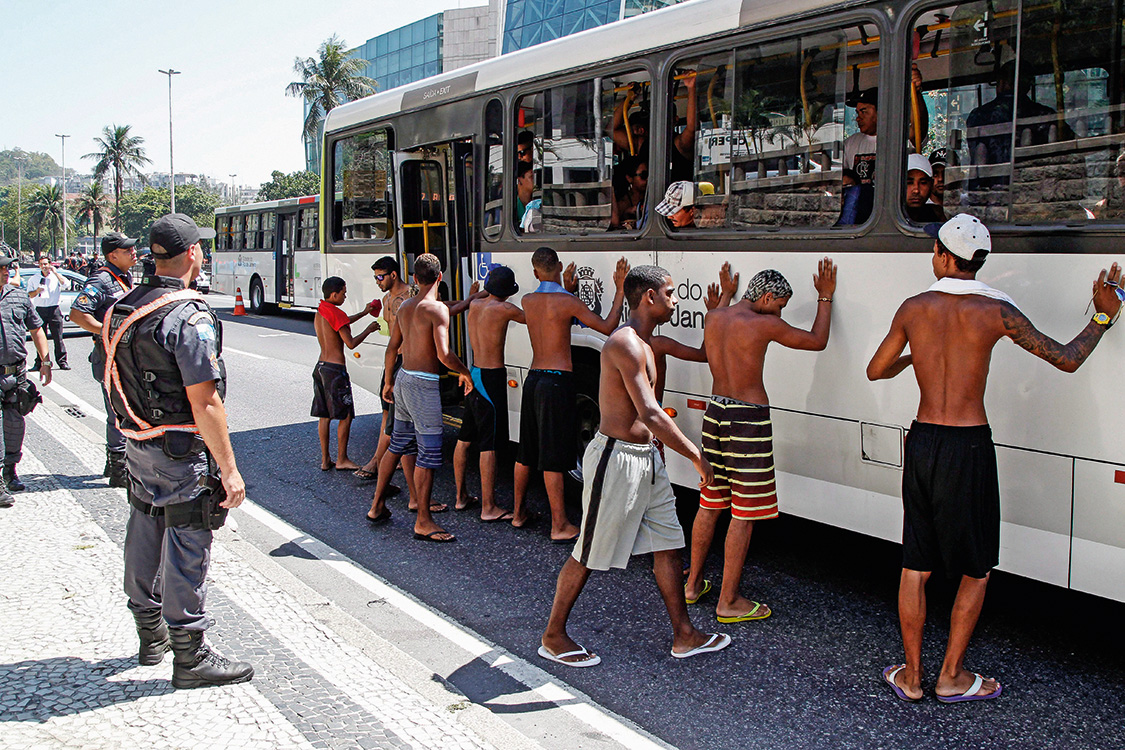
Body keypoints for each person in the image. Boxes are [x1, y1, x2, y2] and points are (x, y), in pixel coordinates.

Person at [866, 213, 1121, 703]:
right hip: (967, 445)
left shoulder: (914, 307)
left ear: (942, 256)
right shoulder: (995, 310)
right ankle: (952, 676)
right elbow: (1066, 358)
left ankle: (913, 678)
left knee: (915, 565)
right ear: (978, 261)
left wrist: (917, 353)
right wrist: (1105, 314)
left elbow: (877, 370)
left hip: (922, 442)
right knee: (975, 567)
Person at [539, 265, 730, 668]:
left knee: (667, 542)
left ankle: (684, 635)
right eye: (671, 294)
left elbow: (652, 420)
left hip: (646, 458)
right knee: (588, 551)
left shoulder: (647, 342)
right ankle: (554, 636)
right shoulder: (624, 344)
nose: (675, 301)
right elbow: (651, 411)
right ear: (649, 297)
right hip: (617, 458)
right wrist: (695, 454)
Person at [103, 213, 253, 689]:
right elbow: (205, 399)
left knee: (145, 525)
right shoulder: (187, 315)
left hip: (139, 442)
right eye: (201, 248)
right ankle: (190, 656)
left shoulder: (123, 306)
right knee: (188, 538)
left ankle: (150, 635)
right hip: (180, 448)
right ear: (192, 254)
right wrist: (229, 469)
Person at [684, 260, 837, 622]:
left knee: (710, 502)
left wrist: (724, 293)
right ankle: (728, 601)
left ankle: (692, 585)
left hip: (715, 413)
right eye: (780, 305)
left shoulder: (715, 316)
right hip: (747, 420)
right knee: (745, 513)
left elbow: (719, 328)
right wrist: (825, 297)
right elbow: (817, 341)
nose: (780, 312)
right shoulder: (764, 324)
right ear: (768, 297)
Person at [512, 248, 629, 542]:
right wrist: (619, 290)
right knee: (553, 456)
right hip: (557, 381)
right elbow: (607, 325)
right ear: (560, 266)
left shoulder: (528, 300)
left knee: (526, 451)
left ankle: (517, 514)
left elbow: (550, 311)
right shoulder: (569, 303)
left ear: (535, 271)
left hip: (533, 379)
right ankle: (559, 524)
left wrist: (563, 286)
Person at [366, 253, 473, 542]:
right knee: (429, 453)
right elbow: (445, 355)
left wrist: (389, 381)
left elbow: (392, 348)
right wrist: (465, 372)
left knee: (398, 443)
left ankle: (377, 506)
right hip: (423, 385)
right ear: (440, 278)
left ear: (414, 279)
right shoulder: (436, 309)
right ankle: (423, 521)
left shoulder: (405, 307)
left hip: (402, 377)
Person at [453, 265, 525, 522]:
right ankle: (488, 507)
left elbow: (472, 300)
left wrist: (474, 294)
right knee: (489, 444)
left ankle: (461, 497)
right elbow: (536, 318)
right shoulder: (505, 309)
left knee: (465, 437)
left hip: (474, 373)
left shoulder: (475, 305)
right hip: (491, 379)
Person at [70, 232, 138, 488]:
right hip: (109, 356)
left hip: (122, 356)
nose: (133, 252)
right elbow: (77, 313)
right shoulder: (101, 279)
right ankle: (118, 470)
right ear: (113, 255)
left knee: (123, 410)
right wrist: (106, 331)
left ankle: (115, 463)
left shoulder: (123, 277)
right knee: (117, 413)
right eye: (127, 249)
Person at [354, 256, 414, 485]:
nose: (377, 281)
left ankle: (378, 463)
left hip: (404, 361)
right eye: (375, 277)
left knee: (396, 418)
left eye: (380, 277)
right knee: (388, 414)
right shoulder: (386, 298)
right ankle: (381, 461)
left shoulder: (409, 296)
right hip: (392, 360)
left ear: (393, 275)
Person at [0, 255, 53, 502]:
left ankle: (10, 472)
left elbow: (37, 329)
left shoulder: (19, 296)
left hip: (15, 373)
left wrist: (45, 361)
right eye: (0, 268)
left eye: (7, 268)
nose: (5, 272)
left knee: (14, 425)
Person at [313, 276, 379, 471]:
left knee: (324, 415)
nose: (345, 295)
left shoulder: (322, 310)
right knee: (346, 416)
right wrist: (369, 329)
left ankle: (325, 459)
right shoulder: (337, 313)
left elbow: (342, 321)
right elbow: (350, 343)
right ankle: (342, 459)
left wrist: (365, 312)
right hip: (335, 370)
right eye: (343, 292)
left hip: (321, 367)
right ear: (334, 294)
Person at [27, 256, 70, 371]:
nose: (44, 267)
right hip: (40, 309)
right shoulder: (34, 279)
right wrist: (37, 291)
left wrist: (56, 273)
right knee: (40, 337)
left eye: (45, 264)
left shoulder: (55, 277)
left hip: (54, 309)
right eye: (41, 264)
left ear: (50, 264)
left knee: (58, 337)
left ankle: (62, 362)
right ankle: (39, 362)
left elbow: (66, 284)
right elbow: (30, 294)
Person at [611, 155, 649, 231]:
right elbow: (615, 223)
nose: (648, 179)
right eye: (644, 175)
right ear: (629, 178)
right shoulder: (622, 203)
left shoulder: (653, 197)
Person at [905, 154, 945, 223]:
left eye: (923, 183)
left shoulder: (938, 214)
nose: (916, 190)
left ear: (931, 184)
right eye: (909, 183)